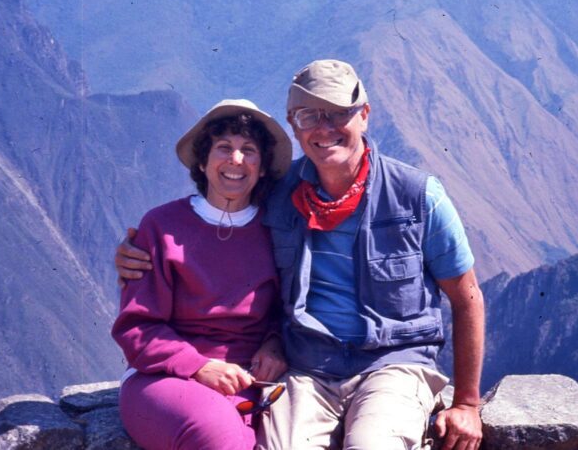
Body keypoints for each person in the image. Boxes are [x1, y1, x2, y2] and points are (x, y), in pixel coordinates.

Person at [116, 61, 485, 450]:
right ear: (294, 125)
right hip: (309, 369)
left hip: (392, 364)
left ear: (365, 114)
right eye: (310, 115)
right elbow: (211, 231)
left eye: (339, 113)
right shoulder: (280, 196)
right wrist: (133, 253)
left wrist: (467, 403)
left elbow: (468, 297)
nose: (324, 128)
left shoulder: (418, 196)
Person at [111, 99, 292, 450]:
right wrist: (198, 366)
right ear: (203, 160)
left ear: (263, 166)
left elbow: (285, 311)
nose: (236, 160)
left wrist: (273, 344)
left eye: (249, 150)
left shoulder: (277, 231)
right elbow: (137, 326)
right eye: (224, 147)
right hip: (166, 377)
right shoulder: (162, 227)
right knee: (219, 436)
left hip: (247, 380)